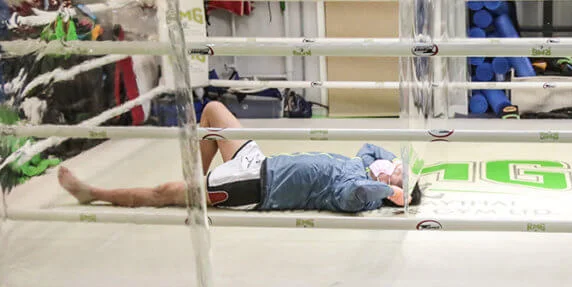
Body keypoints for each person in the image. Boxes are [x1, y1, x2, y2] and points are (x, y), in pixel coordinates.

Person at [56, 101, 419, 214]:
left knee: (163, 193)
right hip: (258, 163)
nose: (398, 169)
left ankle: (93, 193)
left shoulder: (359, 192)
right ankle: (195, 182)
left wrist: (390, 192)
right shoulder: (363, 165)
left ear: (394, 192)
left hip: (254, 187)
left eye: (401, 177)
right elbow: (371, 146)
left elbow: (356, 194)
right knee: (213, 110)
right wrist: (393, 165)